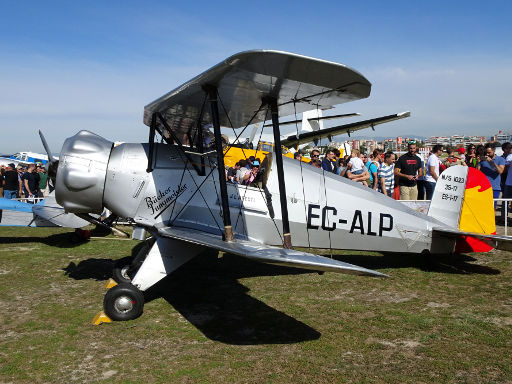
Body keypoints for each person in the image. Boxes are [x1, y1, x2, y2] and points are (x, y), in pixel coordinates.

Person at [478, 143, 505, 207]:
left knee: (492, 207)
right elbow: (477, 172)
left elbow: (500, 171)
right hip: (483, 187)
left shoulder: (500, 159)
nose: (487, 154)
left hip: (495, 187)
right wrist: (478, 162)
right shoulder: (482, 160)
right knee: (483, 207)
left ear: (494, 150)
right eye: (486, 152)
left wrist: (491, 162)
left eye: (489, 152)